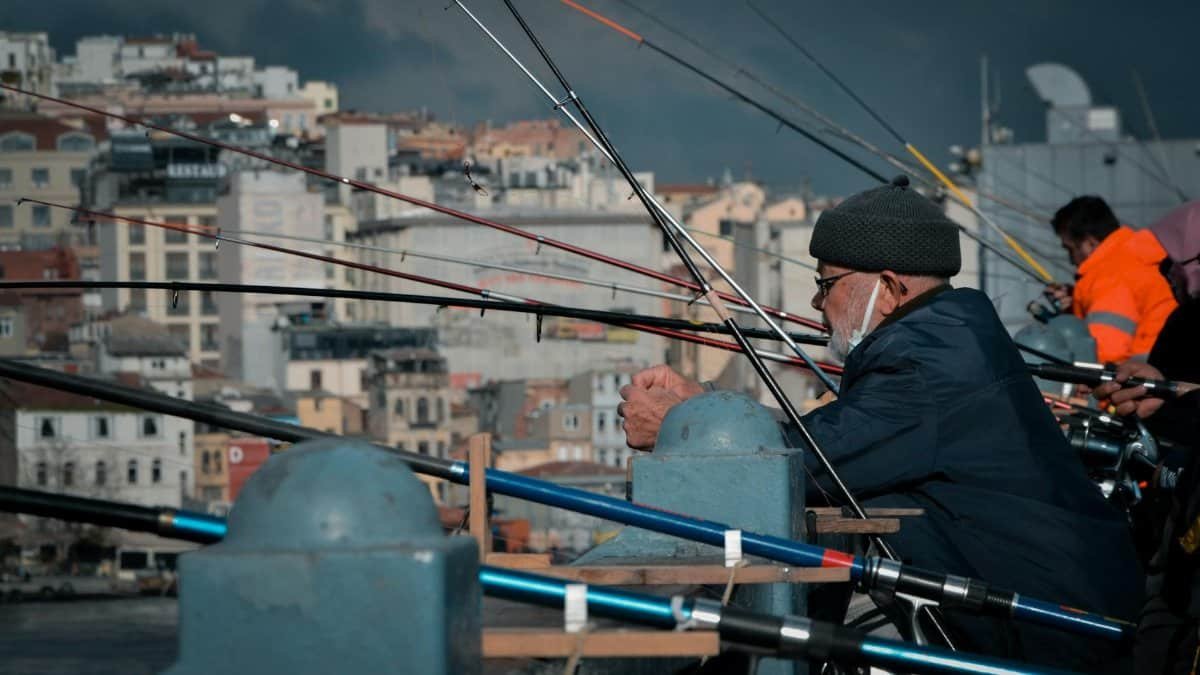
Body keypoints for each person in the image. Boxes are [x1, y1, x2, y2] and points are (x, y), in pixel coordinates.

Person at [619, 176, 1143, 672]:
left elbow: (813, 465)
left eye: (827, 284)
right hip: (1070, 606)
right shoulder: (950, 337)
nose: (816, 303)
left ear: (889, 288)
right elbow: (846, 438)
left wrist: (677, 423)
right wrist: (705, 404)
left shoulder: (920, 367)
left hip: (1051, 635)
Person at [1094, 200, 1200, 675]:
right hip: (1181, 511)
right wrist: (1154, 387)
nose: (1166, 275)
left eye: (1173, 263)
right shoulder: (1186, 321)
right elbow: (1171, 406)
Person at [1045, 196, 1176, 363]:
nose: (1070, 260)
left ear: (1090, 243)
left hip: (1147, 375)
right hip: (1172, 362)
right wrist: (1074, 307)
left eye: (1070, 249)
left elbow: (1103, 354)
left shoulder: (1109, 278)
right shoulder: (1134, 256)